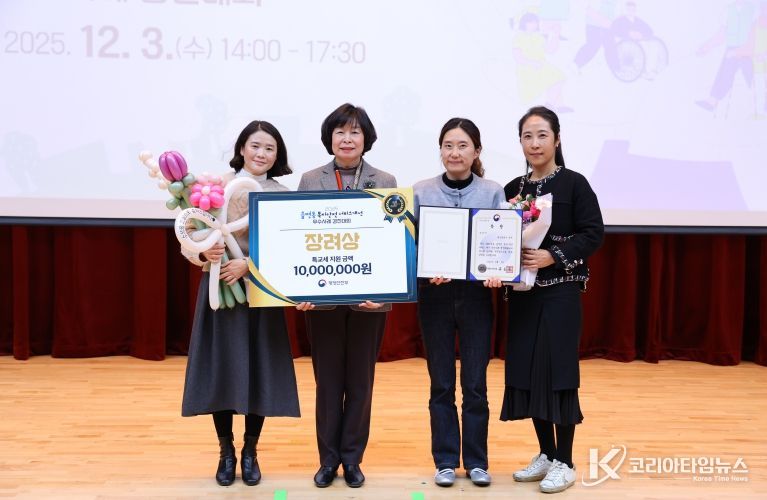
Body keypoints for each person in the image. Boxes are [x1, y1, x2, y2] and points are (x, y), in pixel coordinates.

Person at [180, 120, 301, 487]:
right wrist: (204, 253)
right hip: (219, 291)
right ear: (241, 149)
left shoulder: (282, 194)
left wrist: (249, 265)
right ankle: (225, 451)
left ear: (277, 155)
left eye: (269, 148)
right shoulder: (214, 187)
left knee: (258, 370)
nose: (261, 154)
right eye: (255, 146)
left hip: (260, 293)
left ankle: (250, 450)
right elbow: (189, 236)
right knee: (222, 370)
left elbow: (289, 247)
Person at [501, 106, 603, 494]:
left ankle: (566, 461)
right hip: (523, 295)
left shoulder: (575, 184)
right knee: (528, 372)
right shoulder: (514, 189)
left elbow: (593, 234)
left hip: (560, 293)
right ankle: (546, 453)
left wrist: (552, 256)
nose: (535, 143)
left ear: (557, 139)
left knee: (558, 373)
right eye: (527, 136)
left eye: (542, 135)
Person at [295, 103, 396, 489]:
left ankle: (352, 459)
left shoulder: (385, 180)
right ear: (330, 138)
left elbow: (392, 243)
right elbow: (299, 241)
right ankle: (327, 460)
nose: (347, 138)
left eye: (355, 132)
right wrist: (299, 290)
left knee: (360, 384)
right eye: (340, 132)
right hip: (321, 300)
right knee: (327, 384)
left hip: (369, 301)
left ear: (366, 138)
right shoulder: (310, 180)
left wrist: (384, 293)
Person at [412, 118, 506, 488]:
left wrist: (498, 271)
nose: (455, 152)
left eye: (463, 145)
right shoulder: (420, 191)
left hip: (476, 297)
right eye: (448, 145)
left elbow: (501, 243)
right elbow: (411, 246)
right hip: (434, 297)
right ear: (440, 150)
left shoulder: (492, 192)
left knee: (475, 384)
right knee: (441, 383)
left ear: (476, 151)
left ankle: (477, 461)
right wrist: (425, 271)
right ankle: (446, 460)